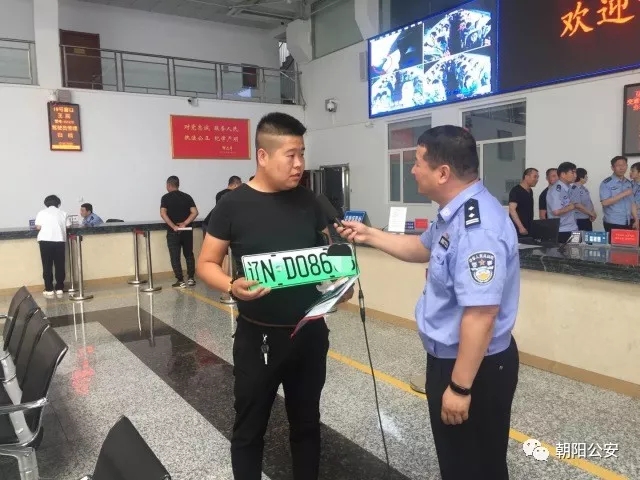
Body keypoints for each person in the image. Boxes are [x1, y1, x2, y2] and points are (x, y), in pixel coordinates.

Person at [336, 125, 519, 480]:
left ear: (443, 172)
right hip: (450, 359)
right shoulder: (454, 213)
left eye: (418, 162)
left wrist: (460, 387)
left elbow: (482, 315)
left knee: (474, 467)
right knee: (458, 461)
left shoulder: (477, 228)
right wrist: (369, 234)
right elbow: (421, 248)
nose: (412, 170)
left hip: (475, 368)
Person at [196, 112, 353, 480]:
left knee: (307, 424)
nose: (299, 164)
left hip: (310, 334)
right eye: (290, 155)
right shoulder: (232, 205)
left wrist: (343, 282)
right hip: (259, 338)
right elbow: (206, 263)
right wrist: (231, 285)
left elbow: (333, 251)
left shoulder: (311, 201)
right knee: (249, 429)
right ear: (263, 156)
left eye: (302, 154)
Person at [160, 176, 199, 288]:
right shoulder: (187, 197)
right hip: (186, 231)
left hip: (173, 232)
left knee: (175, 256)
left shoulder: (165, 198)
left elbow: (163, 213)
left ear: (168, 185)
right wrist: (184, 223)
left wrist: (173, 226)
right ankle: (191, 279)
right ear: (178, 185)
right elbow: (195, 212)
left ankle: (180, 281)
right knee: (189, 254)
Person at [35, 195, 70, 298]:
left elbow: (38, 227)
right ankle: (59, 288)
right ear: (58, 203)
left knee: (47, 265)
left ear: (46, 203)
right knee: (60, 265)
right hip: (59, 241)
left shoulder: (41, 213)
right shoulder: (63, 213)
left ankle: (49, 289)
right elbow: (68, 226)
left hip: (45, 241)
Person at [599, 155, 638, 235]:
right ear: (612, 168)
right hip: (613, 222)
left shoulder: (628, 183)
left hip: (628, 222)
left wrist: (636, 220)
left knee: (628, 243)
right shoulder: (606, 183)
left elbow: (632, 203)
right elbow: (605, 203)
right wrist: (624, 193)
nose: (621, 168)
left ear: (626, 166)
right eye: (618, 165)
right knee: (613, 243)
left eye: (624, 165)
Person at [546, 162, 578, 243]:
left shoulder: (569, 188)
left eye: (575, 172)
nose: (575, 175)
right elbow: (556, 212)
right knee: (564, 251)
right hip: (562, 230)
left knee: (576, 250)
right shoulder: (556, 190)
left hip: (573, 227)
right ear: (563, 174)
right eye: (572, 172)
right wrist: (570, 207)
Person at [508, 168, 538, 236]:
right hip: (518, 230)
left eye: (537, 177)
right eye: (535, 177)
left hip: (528, 228)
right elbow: (512, 210)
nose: (537, 180)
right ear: (526, 177)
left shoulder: (530, 191)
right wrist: (521, 227)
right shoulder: (516, 191)